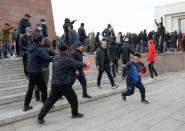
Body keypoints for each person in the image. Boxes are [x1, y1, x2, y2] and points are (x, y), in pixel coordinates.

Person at [37, 44, 88, 124]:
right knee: (73, 98)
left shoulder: (55, 57)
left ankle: (40, 117)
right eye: (67, 50)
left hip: (54, 84)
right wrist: (85, 64)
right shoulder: (67, 59)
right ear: (65, 50)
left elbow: (67, 66)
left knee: (49, 102)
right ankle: (74, 114)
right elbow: (77, 63)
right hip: (63, 84)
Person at [23, 35, 53, 112]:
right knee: (43, 88)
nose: (43, 42)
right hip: (36, 71)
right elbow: (47, 58)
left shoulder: (31, 48)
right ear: (39, 42)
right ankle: (45, 105)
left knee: (30, 89)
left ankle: (26, 106)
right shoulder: (39, 49)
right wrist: (58, 57)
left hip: (30, 71)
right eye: (43, 41)